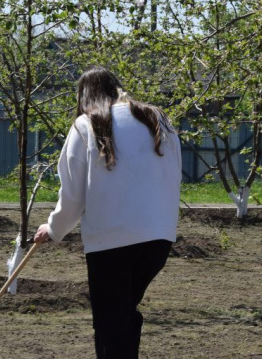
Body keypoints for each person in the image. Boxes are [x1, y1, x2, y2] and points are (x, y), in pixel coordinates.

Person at [34, 66, 182, 359]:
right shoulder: (157, 119)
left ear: (84, 96)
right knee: (124, 314)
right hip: (158, 238)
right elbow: (174, 174)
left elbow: (72, 194)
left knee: (111, 323)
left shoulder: (85, 124)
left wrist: (53, 229)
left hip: (110, 242)